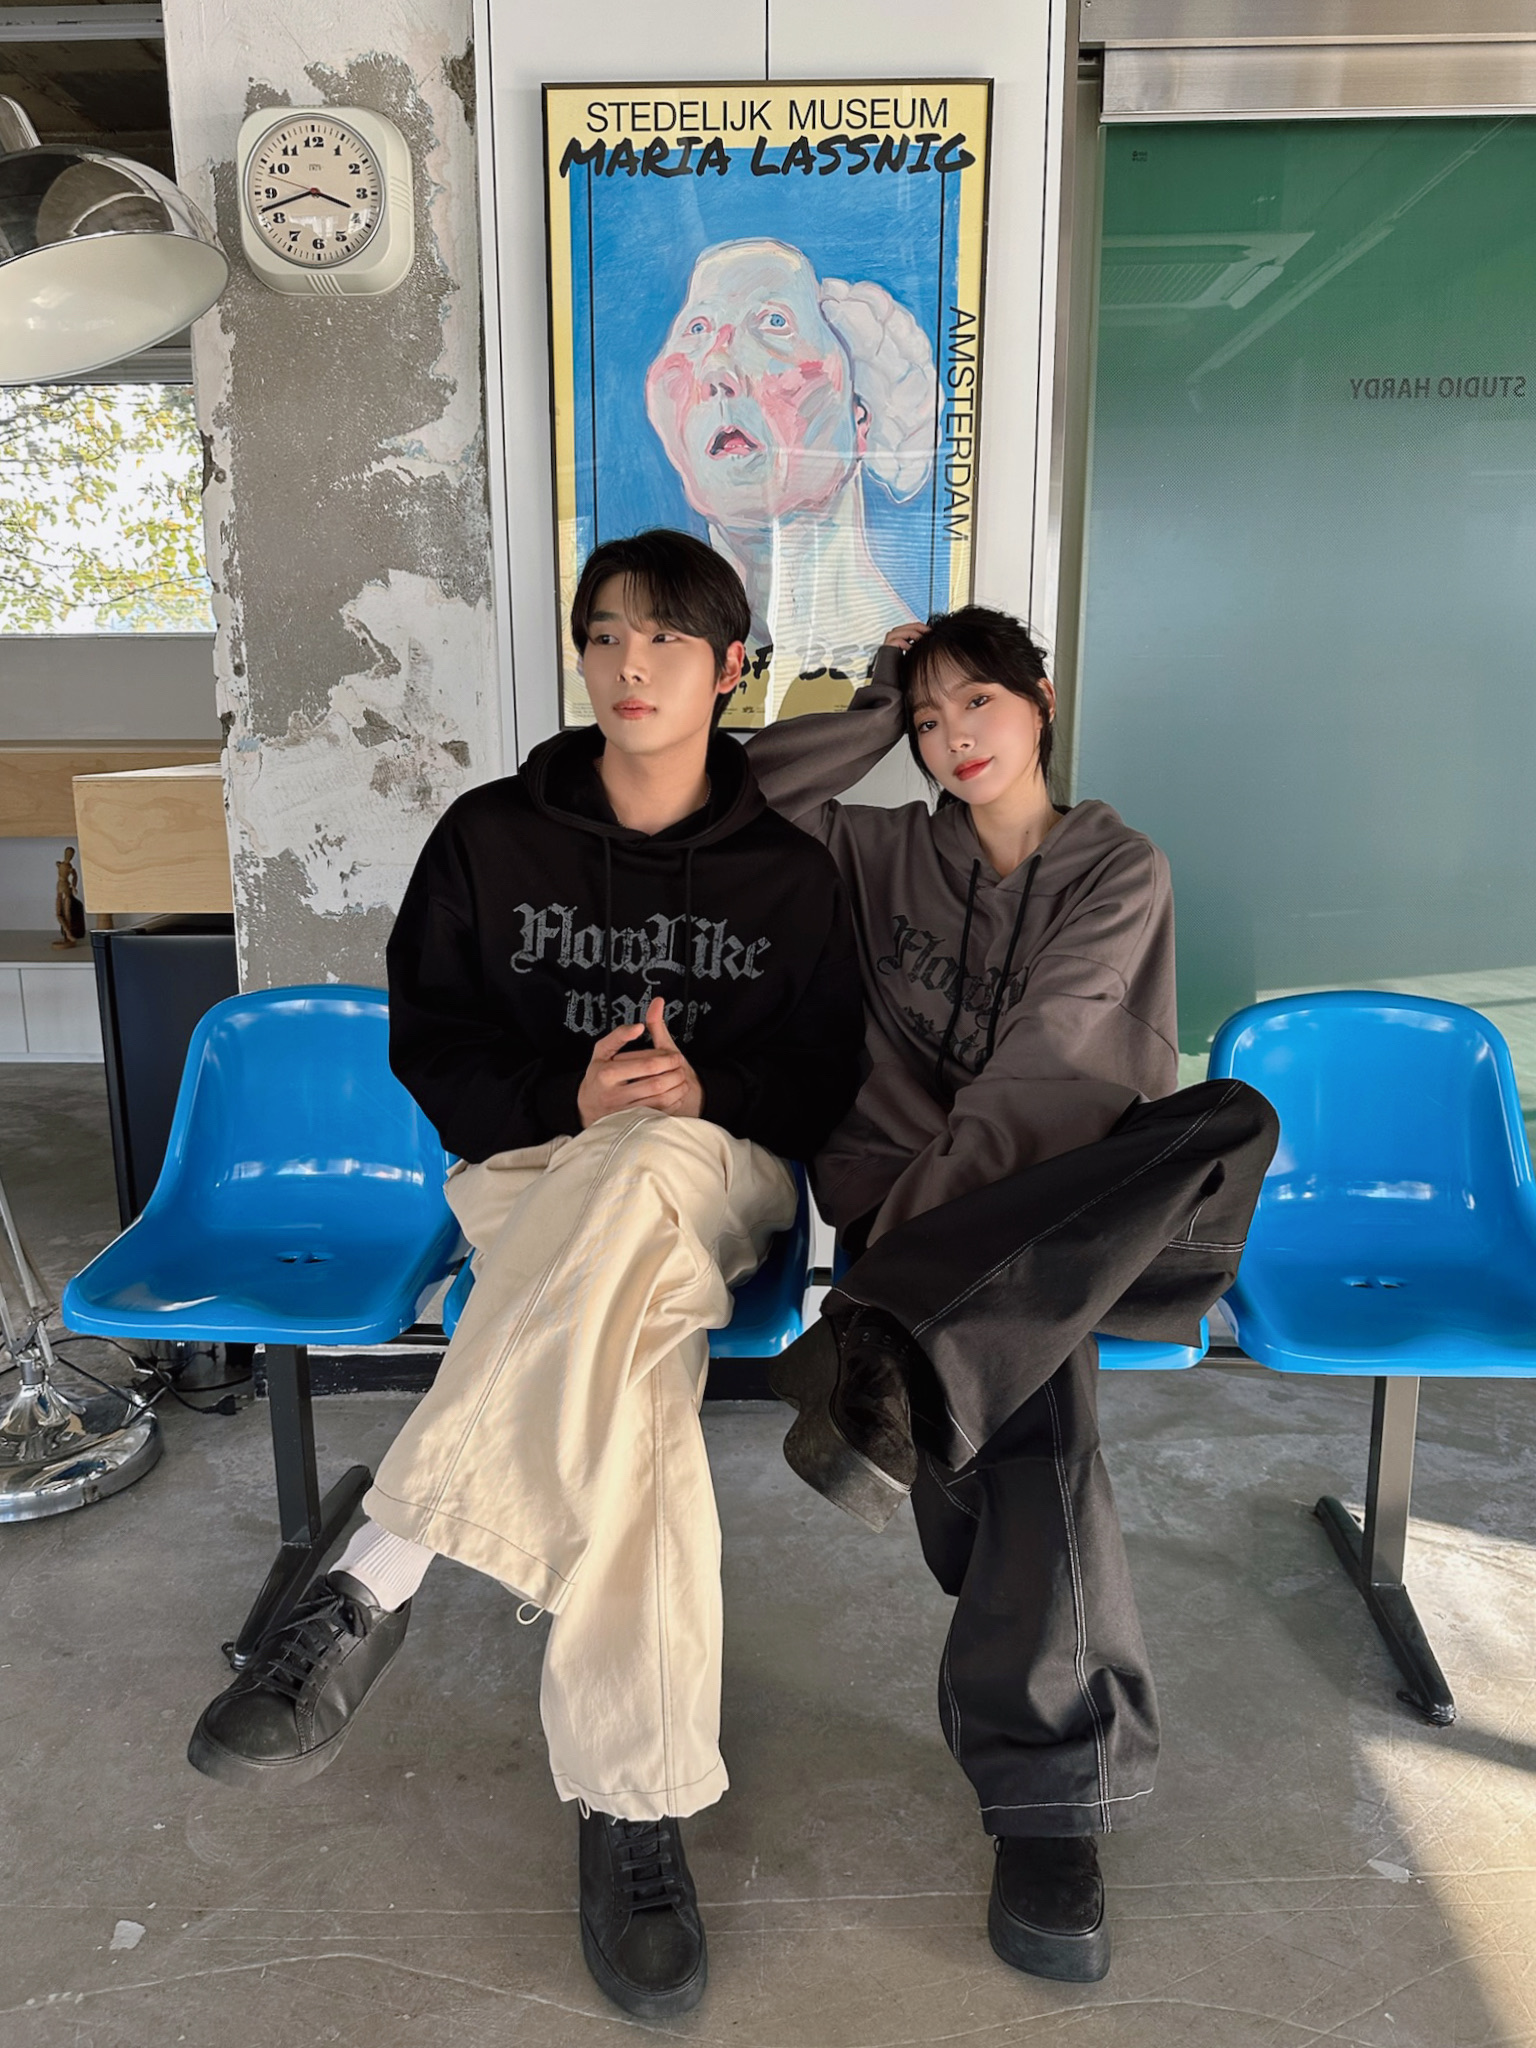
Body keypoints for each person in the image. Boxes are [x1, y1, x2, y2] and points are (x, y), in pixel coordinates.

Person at [185, 530, 866, 2022]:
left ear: (728, 670)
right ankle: (635, 1805)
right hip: (535, 1174)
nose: (631, 663)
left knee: (649, 1166)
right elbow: (431, 1044)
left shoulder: (792, 876)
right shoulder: (489, 838)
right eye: (606, 633)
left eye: (667, 639)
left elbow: (823, 1080)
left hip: (713, 1175)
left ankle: (376, 1568)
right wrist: (572, 1095)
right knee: (636, 1399)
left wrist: (700, 1090)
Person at [746, 608, 1277, 1985]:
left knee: (1230, 1123)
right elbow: (739, 802)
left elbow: (1057, 1064)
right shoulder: (874, 854)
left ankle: (886, 1347)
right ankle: (1050, 1801)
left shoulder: (1118, 867)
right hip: (931, 1234)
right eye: (928, 720)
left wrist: (925, 1263)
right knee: (1029, 1400)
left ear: (1042, 698)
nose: (953, 738)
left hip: (1049, 1209)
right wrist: (873, 701)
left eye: (977, 701)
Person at [646, 237, 937, 719]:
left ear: (860, 418)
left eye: (773, 323)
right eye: (696, 329)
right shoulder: (645, 671)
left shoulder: (912, 670)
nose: (716, 369)